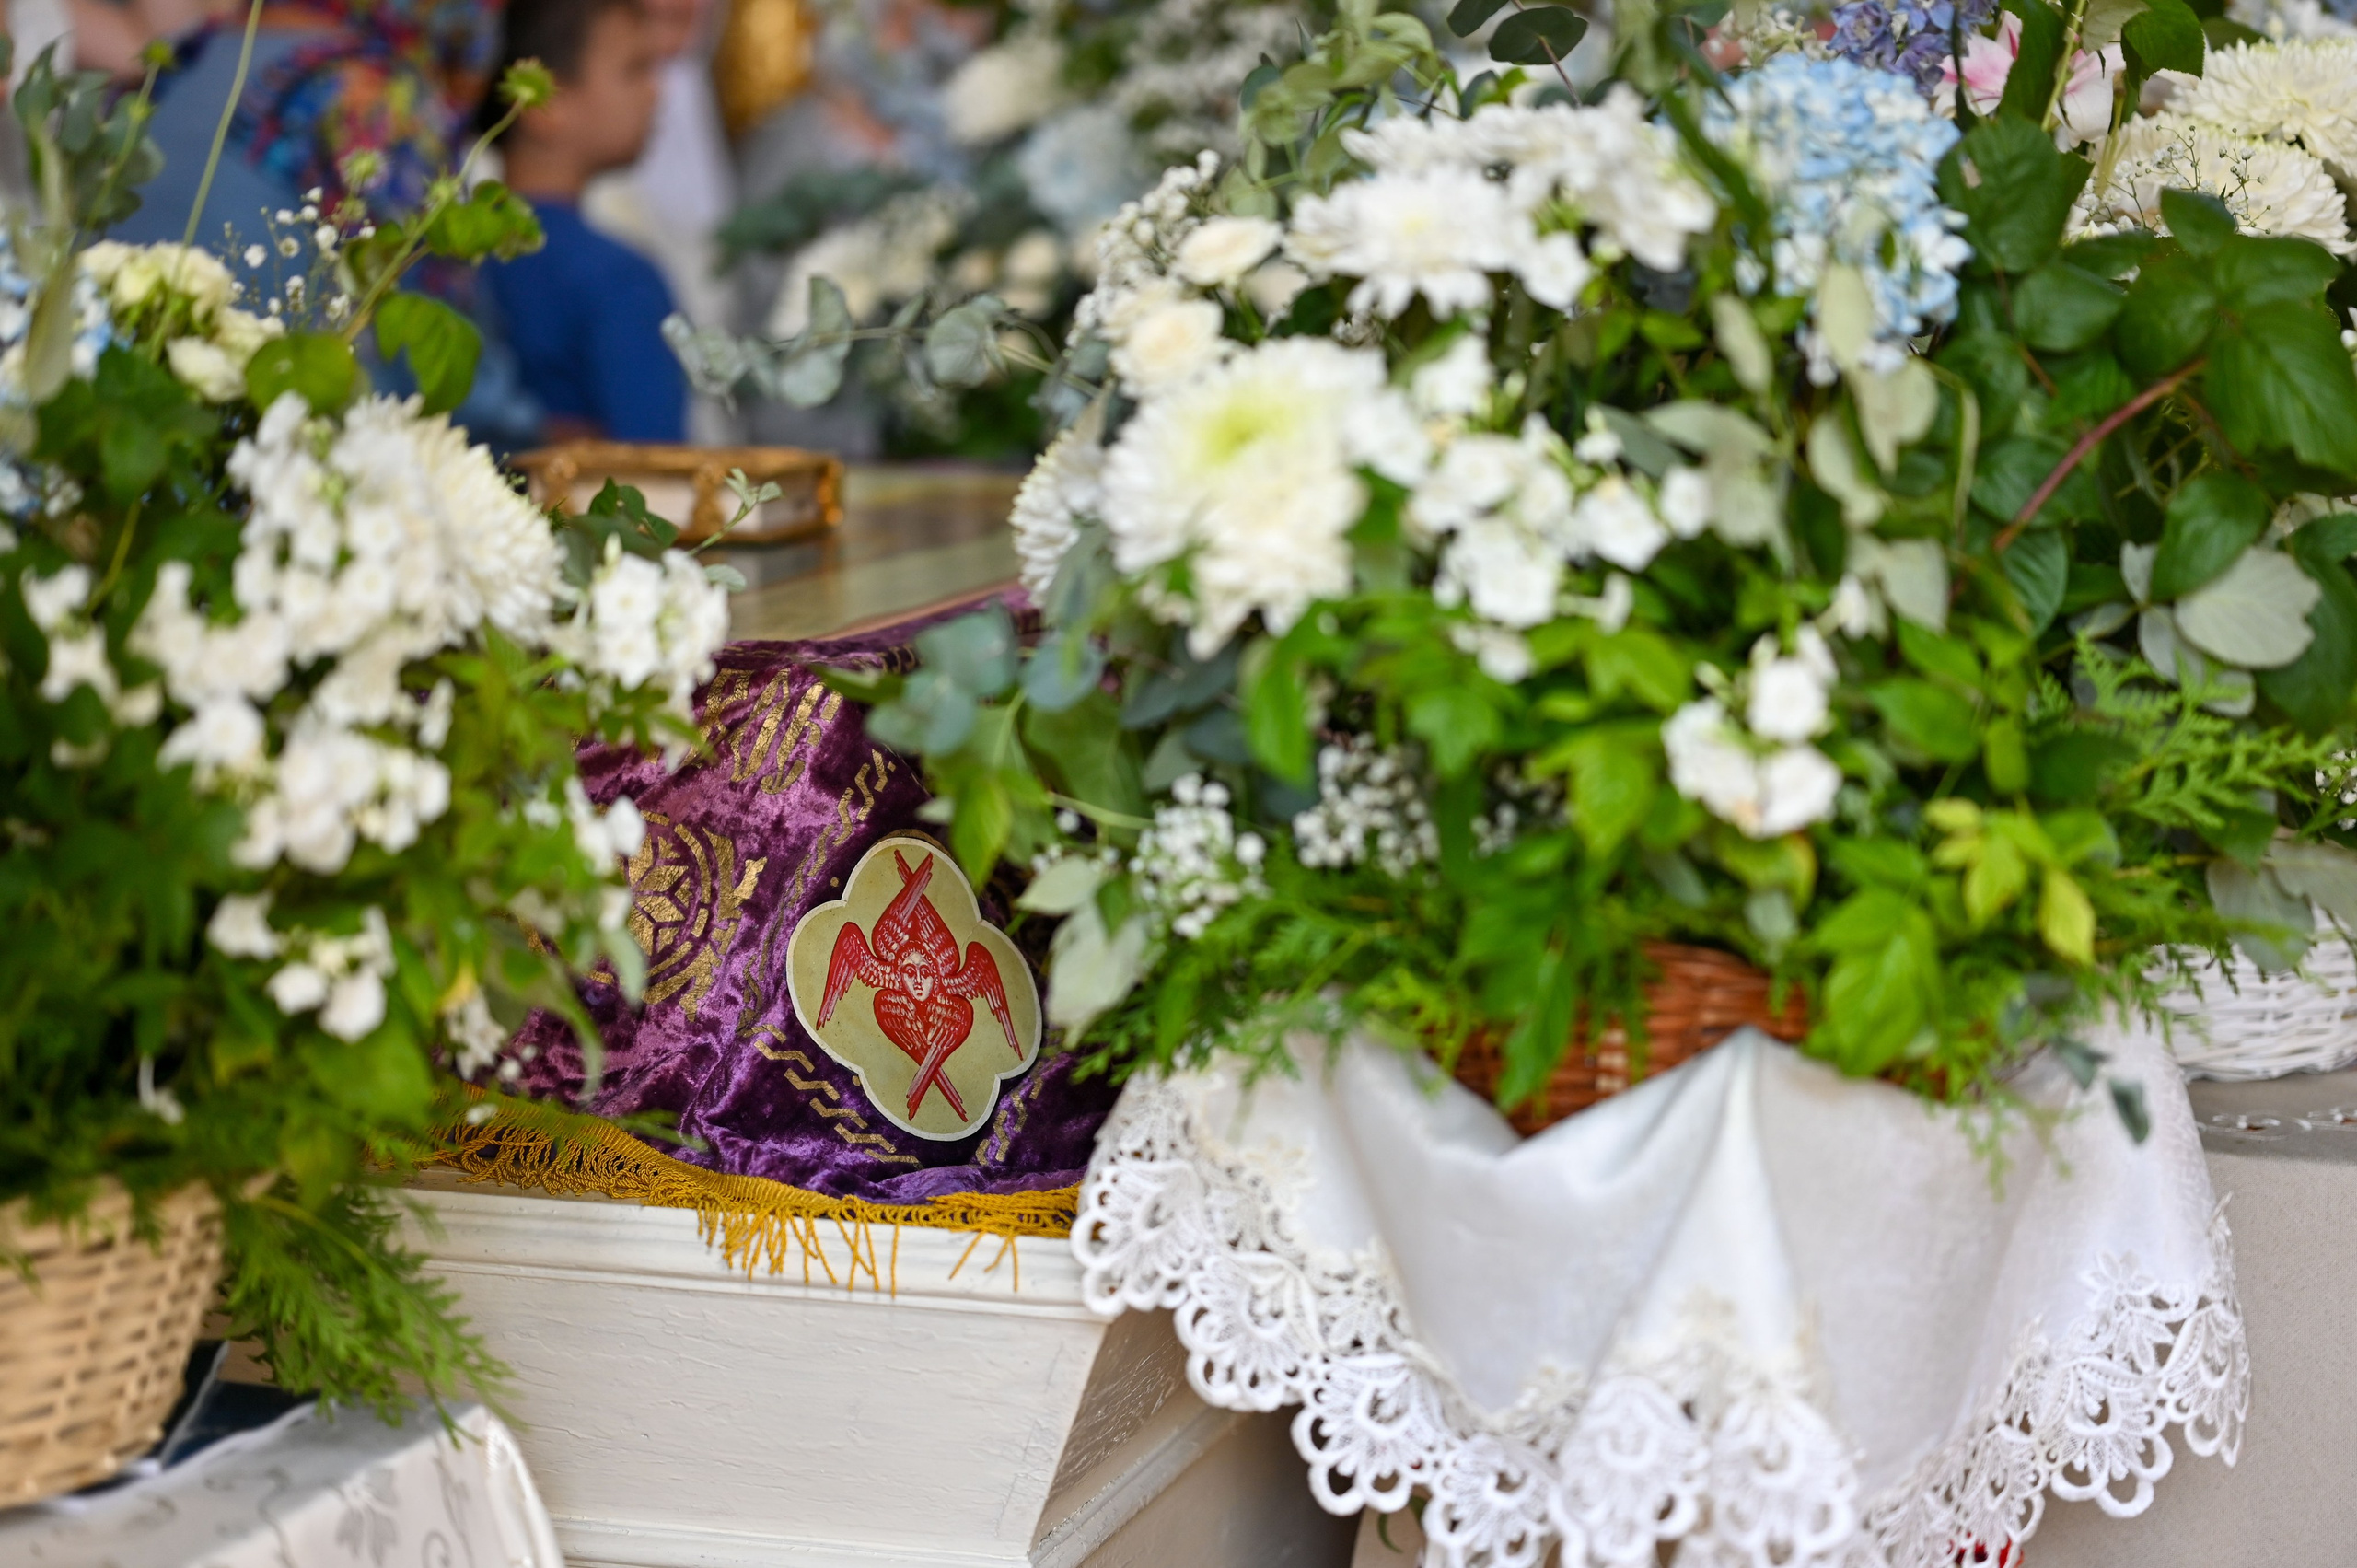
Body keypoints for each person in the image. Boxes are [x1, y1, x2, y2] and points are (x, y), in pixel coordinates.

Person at [478, 0, 686, 443]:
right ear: (542, 106)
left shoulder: (446, 250)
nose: (656, 92)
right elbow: (655, 470)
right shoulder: (617, 278)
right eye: (635, 70)